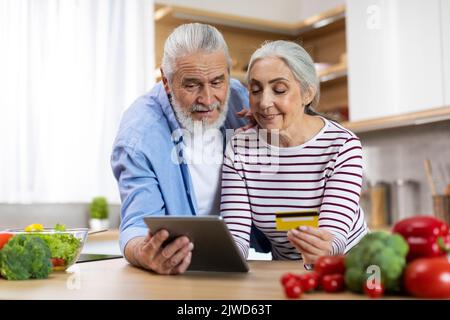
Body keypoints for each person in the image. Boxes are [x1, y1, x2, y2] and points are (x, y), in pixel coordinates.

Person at [111, 23, 268, 275]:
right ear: (166, 81)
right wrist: (146, 253)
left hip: (248, 263)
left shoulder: (242, 99)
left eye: (217, 81)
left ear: (228, 74)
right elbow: (136, 224)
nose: (207, 99)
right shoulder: (139, 135)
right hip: (181, 272)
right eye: (192, 85)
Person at [221, 40, 368, 266]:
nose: (264, 102)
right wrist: (221, 259)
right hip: (284, 272)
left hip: (349, 268)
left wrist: (322, 250)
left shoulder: (342, 145)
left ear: (308, 93)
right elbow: (236, 236)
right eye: (256, 90)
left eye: (279, 90)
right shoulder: (240, 147)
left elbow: (333, 239)